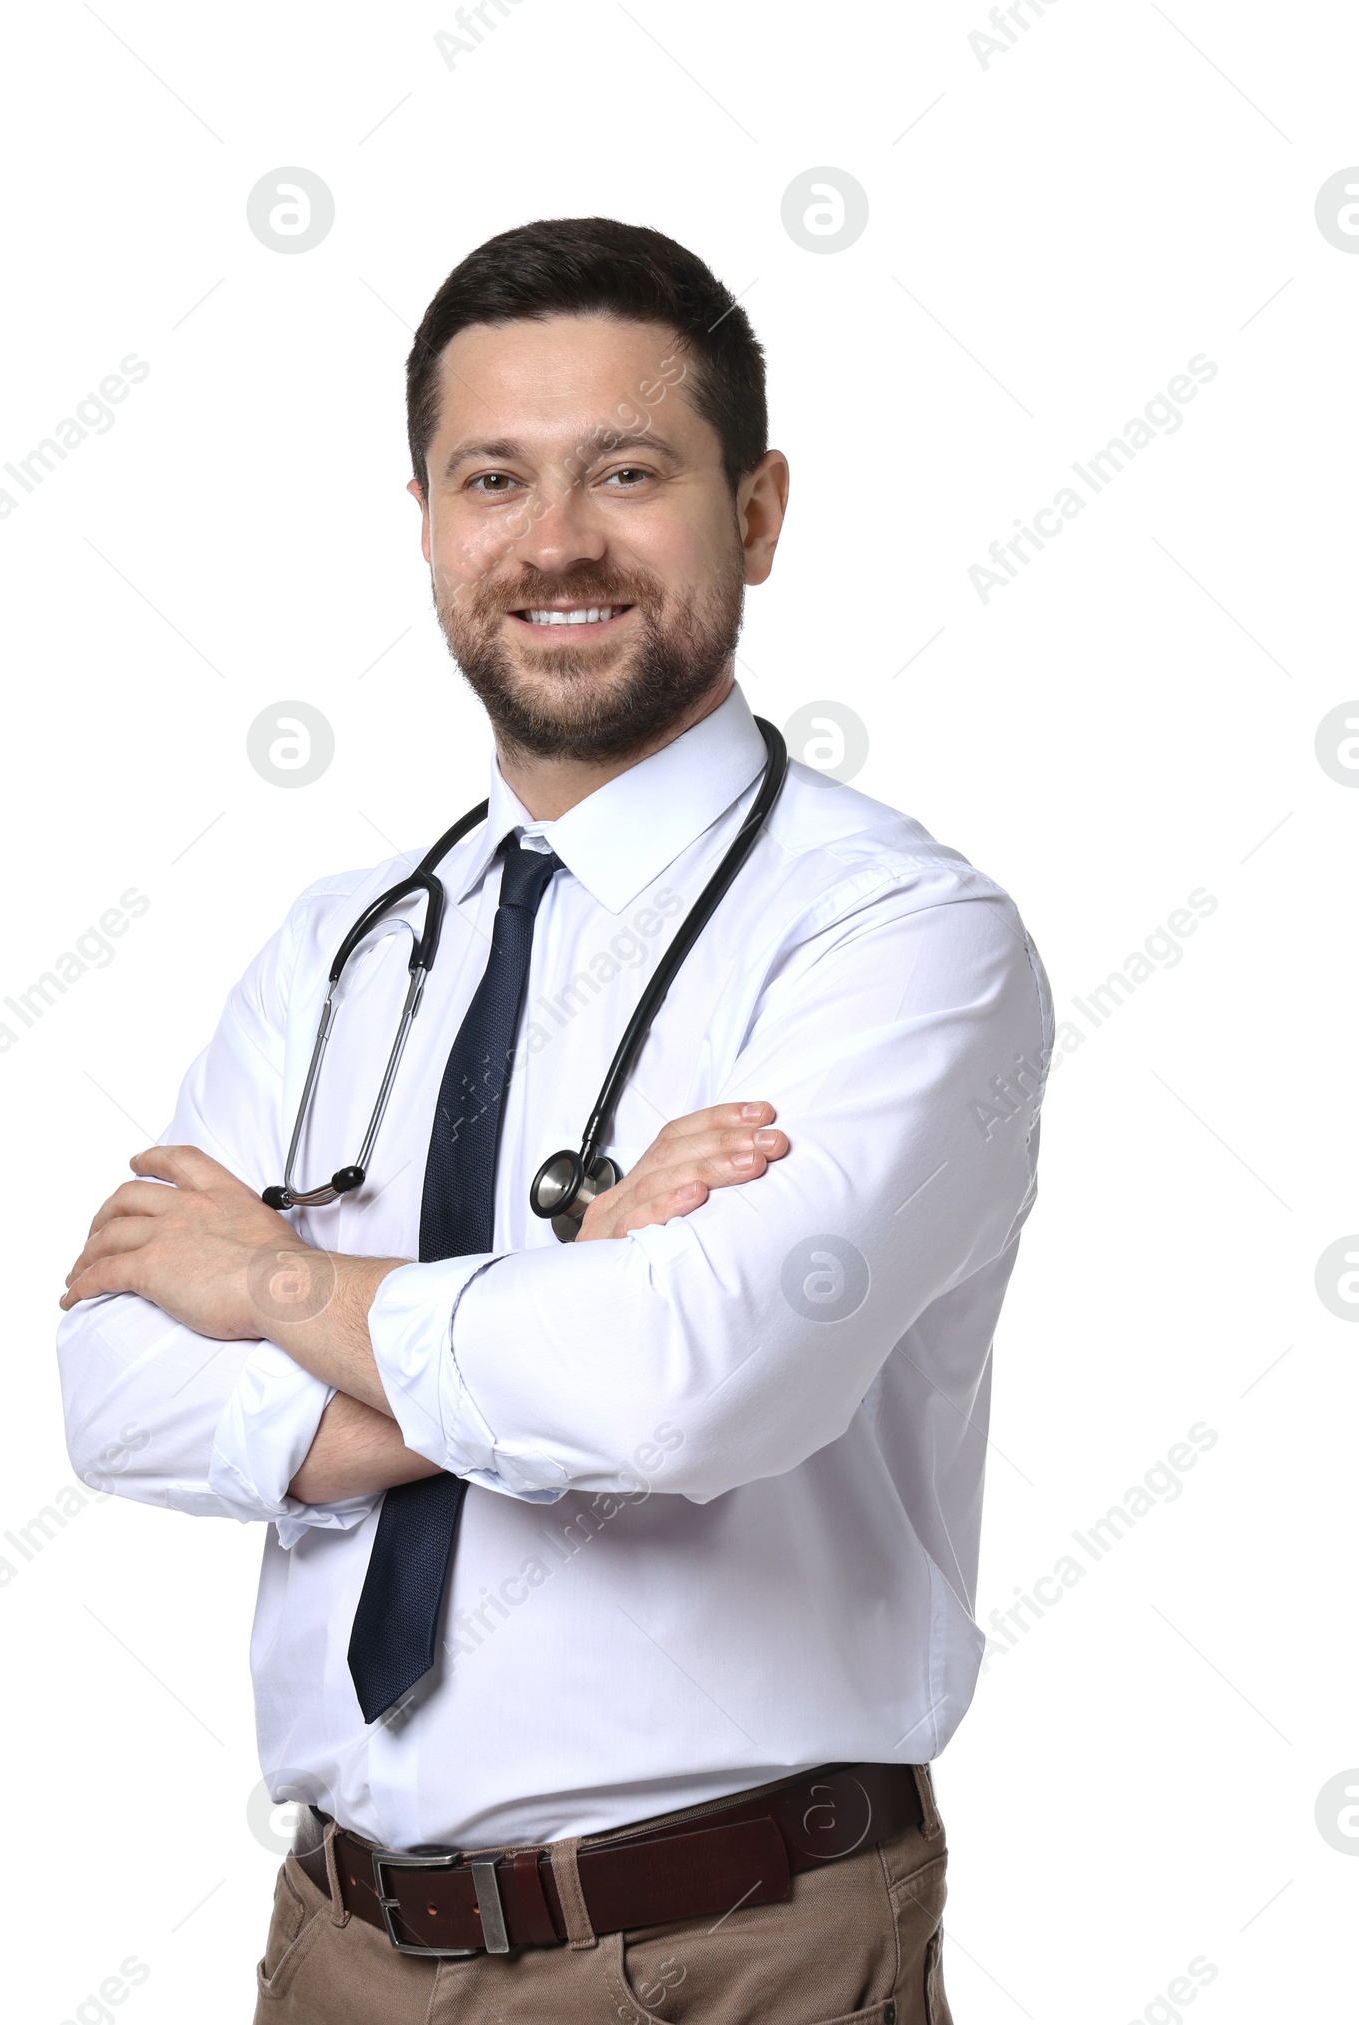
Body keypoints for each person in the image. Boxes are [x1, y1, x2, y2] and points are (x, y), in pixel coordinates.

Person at [56, 216, 1051, 2024]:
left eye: (630, 472)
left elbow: (682, 1392)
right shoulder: (342, 950)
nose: (556, 540)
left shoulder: (900, 938)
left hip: (736, 1948)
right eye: (492, 477)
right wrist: (548, 1295)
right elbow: (115, 1393)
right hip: (337, 1946)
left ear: (754, 514)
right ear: (431, 522)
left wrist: (275, 1282)